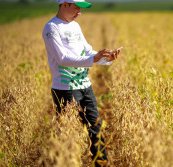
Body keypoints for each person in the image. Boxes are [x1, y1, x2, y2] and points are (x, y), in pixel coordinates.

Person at [42, 0, 120, 166]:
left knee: (96, 126)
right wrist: (93, 58)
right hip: (65, 89)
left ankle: (101, 163)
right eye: (77, 8)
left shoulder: (75, 26)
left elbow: (87, 51)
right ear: (64, 5)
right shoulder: (51, 28)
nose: (79, 12)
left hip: (85, 85)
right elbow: (62, 59)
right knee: (66, 133)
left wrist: (106, 58)